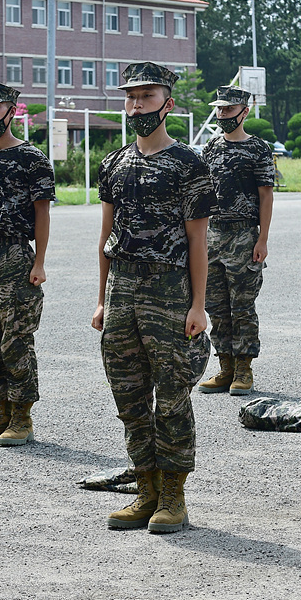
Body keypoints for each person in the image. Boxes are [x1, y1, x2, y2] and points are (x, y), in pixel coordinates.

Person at [92, 61, 217, 533]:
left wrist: (199, 305)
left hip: (170, 290)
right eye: (130, 97)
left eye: (146, 97)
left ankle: (173, 495)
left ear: (168, 103)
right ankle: (144, 489)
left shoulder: (189, 165)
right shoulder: (114, 163)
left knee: (172, 396)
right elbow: (105, 235)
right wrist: (102, 299)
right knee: (128, 393)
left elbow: (198, 242)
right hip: (122, 287)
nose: (136, 105)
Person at [0, 82, 54, 447]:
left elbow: (42, 213)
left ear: (12, 111)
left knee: (16, 339)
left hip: (17, 254)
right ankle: (0, 413)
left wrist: (41, 262)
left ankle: (22, 417)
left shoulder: (32, 158)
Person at [197, 86, 275, 396]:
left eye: (228, 110)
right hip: (213, 235)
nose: (222, 115)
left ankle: (244, 369)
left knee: (242, 305)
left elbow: (266, 195)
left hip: (244, 235)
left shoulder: (258, 148)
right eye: (219, 109)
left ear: (244, 112)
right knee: (216, 306)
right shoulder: (211, 147)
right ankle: (225, 367)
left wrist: (262, 239)